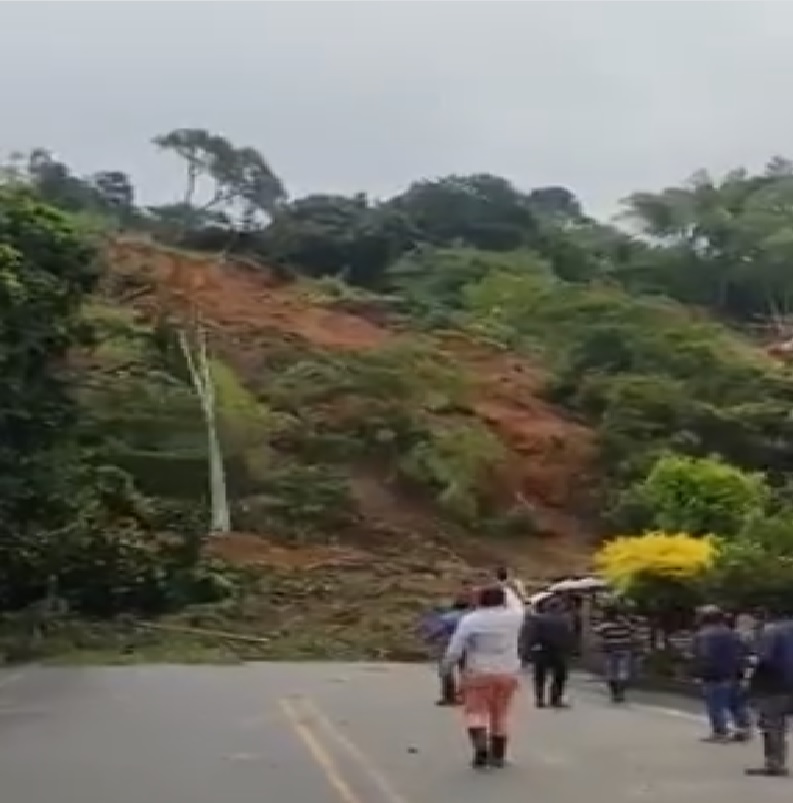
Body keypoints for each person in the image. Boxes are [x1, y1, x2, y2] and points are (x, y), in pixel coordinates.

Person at [441, 584, 524, 768]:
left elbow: (455, 648)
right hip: (507, 671)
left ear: (480, 600)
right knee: (501, 713)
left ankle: (480, 749)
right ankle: (498, 755)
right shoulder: (515, 617)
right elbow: (517, 601)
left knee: (475, 712)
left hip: (478, 672)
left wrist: (447, 667)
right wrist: (504, 585)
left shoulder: (471, 620)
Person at [691, 604, 752, 743]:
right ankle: (743, 730)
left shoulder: (703, 635)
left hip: (714, 676)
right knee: (736, 704)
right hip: (734, 675)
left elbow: (703, 657)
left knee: (715, 705)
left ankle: (720, 732)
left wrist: (698, 673)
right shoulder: (732, 633)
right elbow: (743, 653)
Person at [745, 605, 793, 777]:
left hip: (774, 685)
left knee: (773, 725)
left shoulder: (772, 632)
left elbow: (762, 659)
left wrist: (748, 665)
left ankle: (775, 763)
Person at [524, 595, 575, 708]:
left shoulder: (538, 618)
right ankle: (556, 699)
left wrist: (529, 649)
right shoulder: (565, 620)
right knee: (559, 676)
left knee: (540, 676)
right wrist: (570, 650)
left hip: (542, 649)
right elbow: (569, 636)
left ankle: (540, 700)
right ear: (560, 607)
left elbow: (532, 635)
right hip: (559, 651)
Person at [421, 598, 470, 706]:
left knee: (446, 672)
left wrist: (428, 638)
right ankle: (467, 696)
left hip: (446, 645)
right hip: (466, 646)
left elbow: (436, 632)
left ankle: (449, 697)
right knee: (465, 671)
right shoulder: (471, 617)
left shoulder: (446, 618)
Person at [595, 602, 637, 703]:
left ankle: (615, 693)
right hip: (625, 649)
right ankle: (620, 693)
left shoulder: (605, 625)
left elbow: (597, 632)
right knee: (623, 673)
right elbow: (633, 631)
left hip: (611, 650)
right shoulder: (625, 623)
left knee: (611, 673)